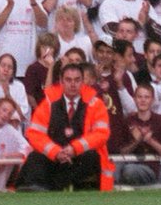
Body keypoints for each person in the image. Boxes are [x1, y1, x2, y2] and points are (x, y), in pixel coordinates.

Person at [18, 61, 113, 192]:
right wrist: (55, 152)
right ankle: (35, 192)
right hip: (54, 159)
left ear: (83, 82)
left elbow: (101, 134)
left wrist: (75, 148)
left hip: (81, 160)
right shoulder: (48, 104)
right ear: (61, 82)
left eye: (77, 80)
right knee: (35, 157)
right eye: (68, 80)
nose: (73, 84)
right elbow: (34, 134)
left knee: (91, 156)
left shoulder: (96, 104)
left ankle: (84, 195)